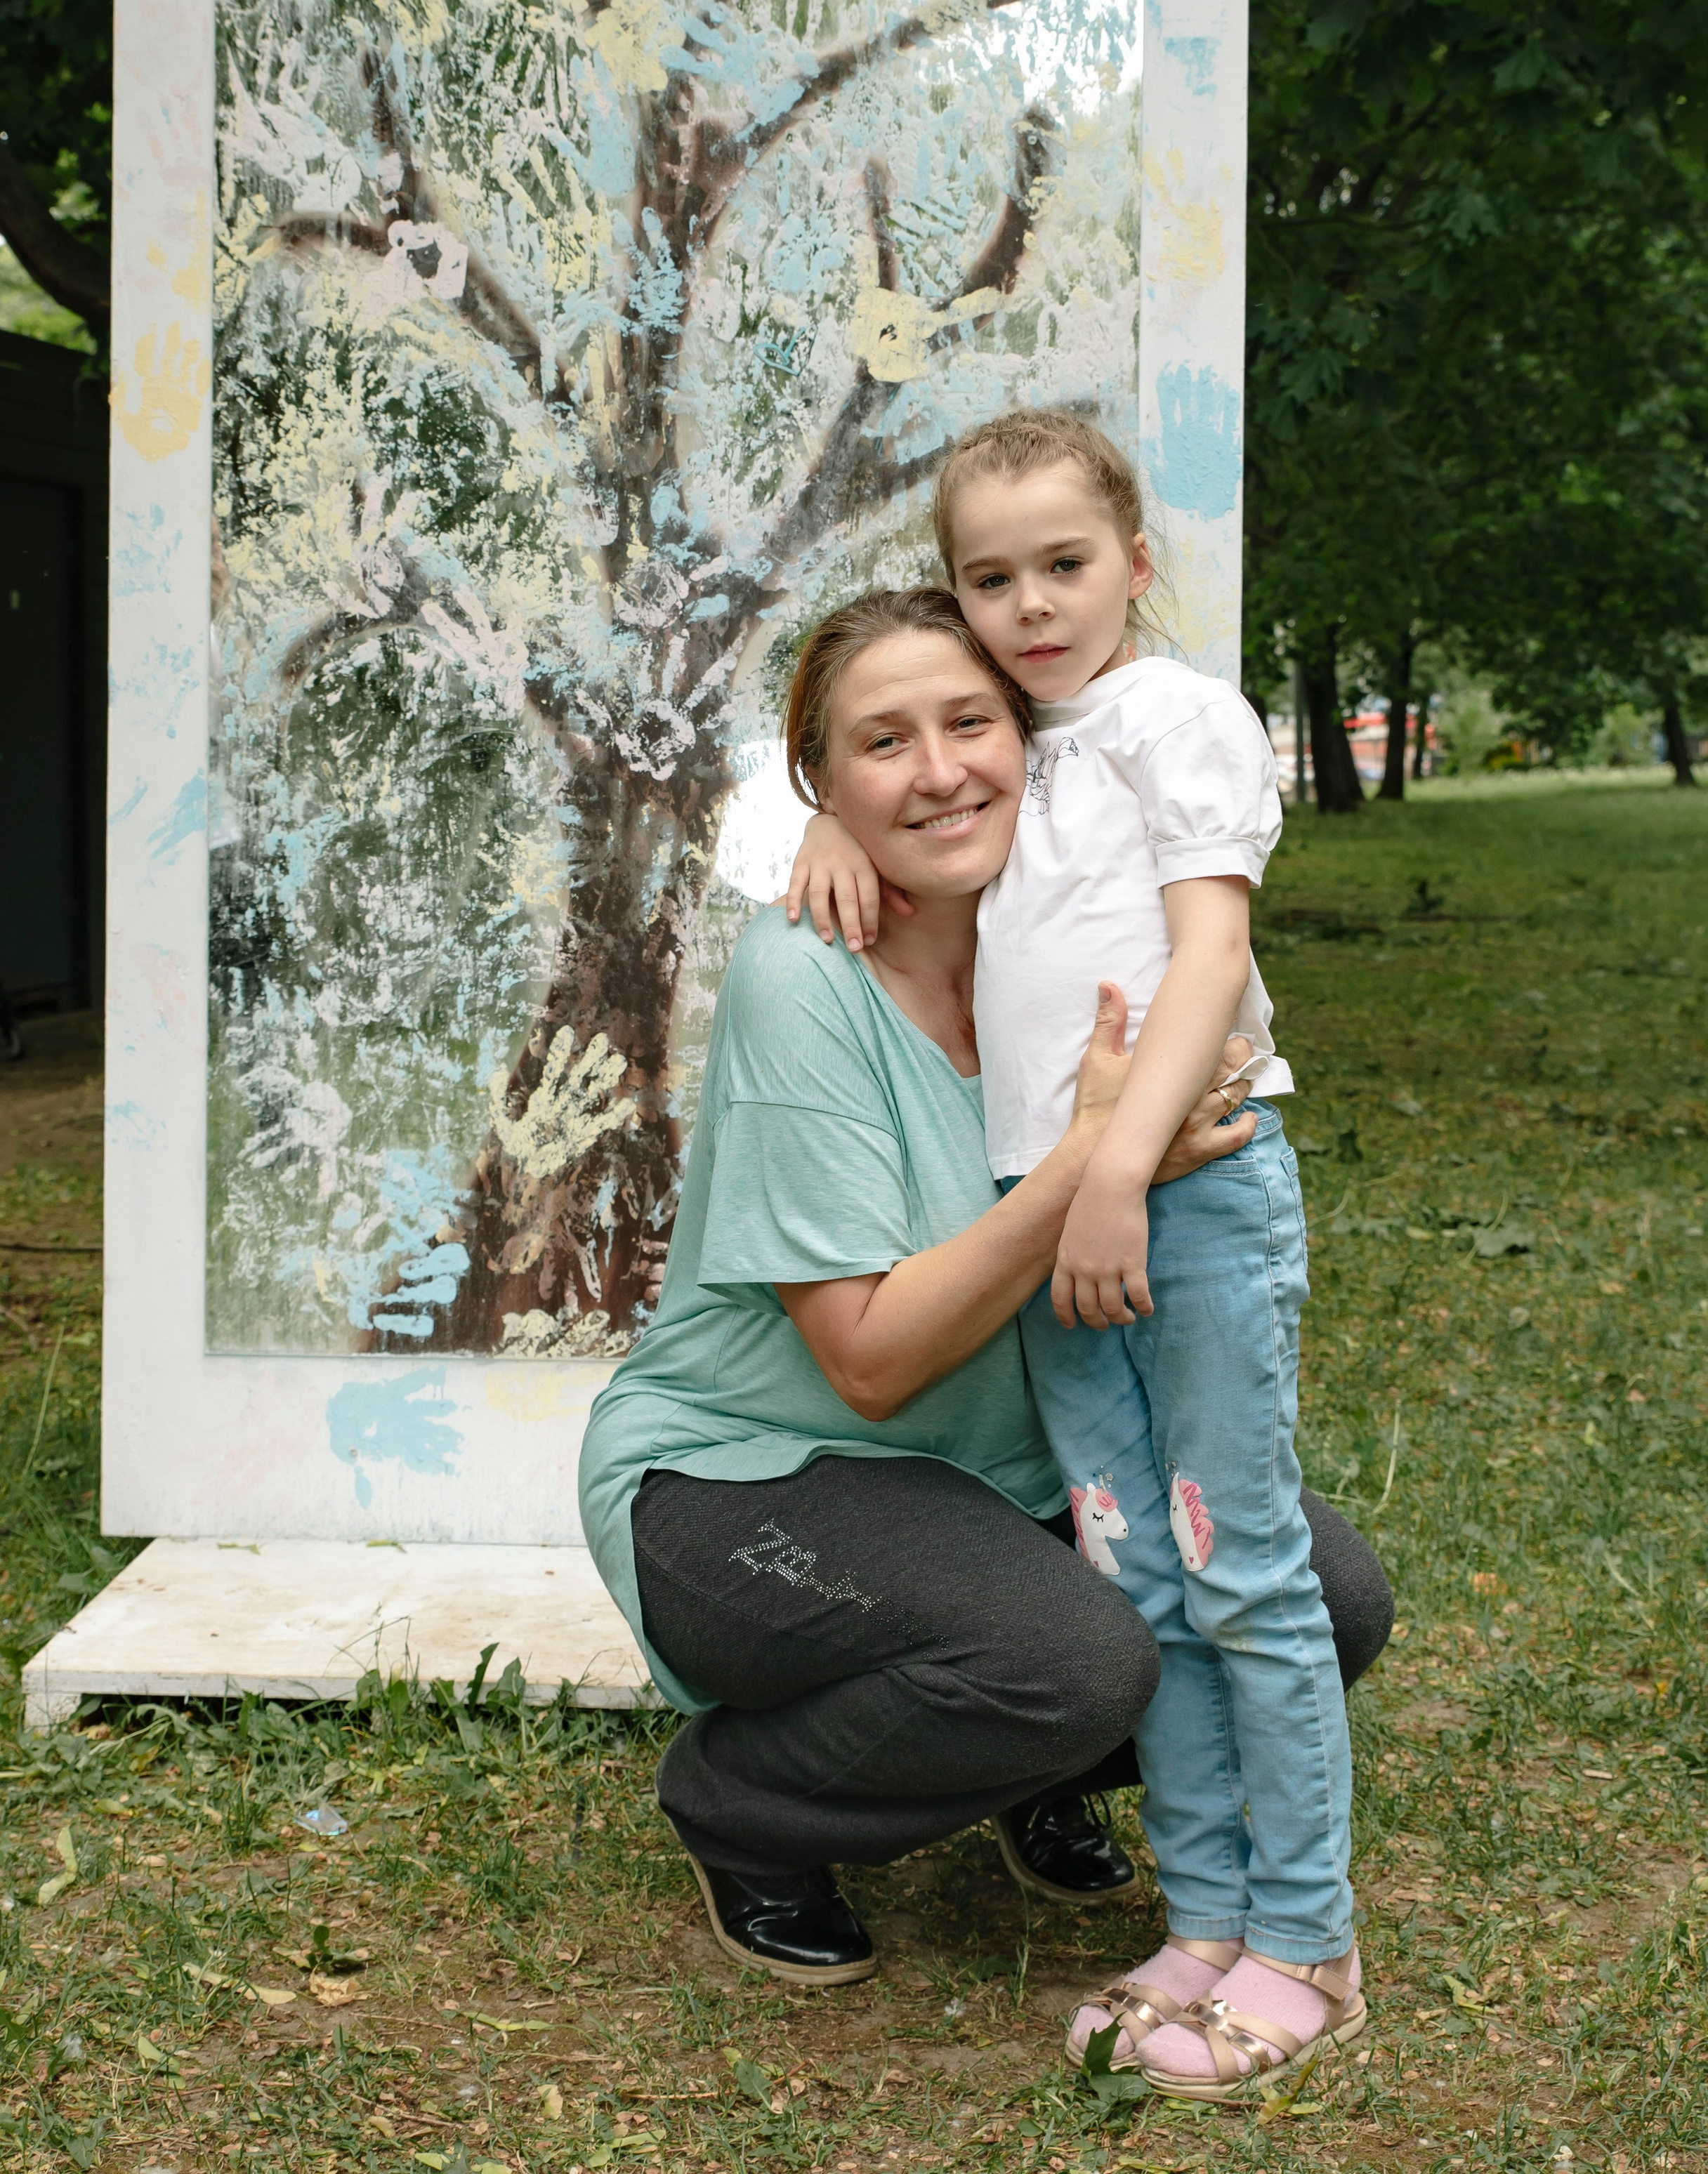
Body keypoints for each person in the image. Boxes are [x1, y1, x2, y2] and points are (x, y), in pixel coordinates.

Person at [580, 584, 1393, 2001]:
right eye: (880, 744)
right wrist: (1082, 1161)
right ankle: (743, 1808)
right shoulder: (804, 973)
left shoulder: (1085, 928)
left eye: (970, 724)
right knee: (1071, 1662)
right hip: (752, 1472)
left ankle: (1019, 1775)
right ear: (819, 783)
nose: (940, 768)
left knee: (1322, 1596)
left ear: (1031, 741)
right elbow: (870, 1363)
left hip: (994, 1476)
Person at [788, 413, 1365, 2100]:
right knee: (1135, 1570)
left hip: (1177, 1191)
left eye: (1063, 562)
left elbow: (1207, 953)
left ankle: (1308, 1941)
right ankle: (1203, 1920)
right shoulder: (1007, 740)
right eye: (991, 577)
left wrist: (1112, 1169)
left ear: (1132, 558)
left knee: (1236, 1563)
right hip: (1059, 1216)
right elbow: (901, 797)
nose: (1030, 603)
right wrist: (819, 818)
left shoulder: (1177, 721)